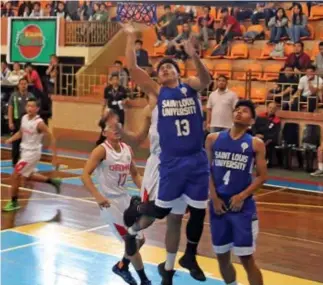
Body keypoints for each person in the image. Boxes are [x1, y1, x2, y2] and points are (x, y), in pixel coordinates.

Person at [122, 23, 211, 285]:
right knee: (162, 211)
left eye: (170, 66)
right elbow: (133, 69)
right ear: (158, 77)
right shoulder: (158, 93)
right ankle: (135, 215)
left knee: (192, 213)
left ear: (178, 71)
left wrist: (194, 55)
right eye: (161, 69)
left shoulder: (191, 86)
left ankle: (176, 266)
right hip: (169, 163)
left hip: (194, 160)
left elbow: (206, 79)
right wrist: (130, 38)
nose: (166, 69)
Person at [81, 111, 151, 285]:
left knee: (140, 239)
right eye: (111, 127)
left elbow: (135, 174)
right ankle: (144, 281)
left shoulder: (127, 149)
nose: (116, 129)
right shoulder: (101, 150)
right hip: (109, 203)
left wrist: (147, 193)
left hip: (125, 199)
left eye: (118, 125)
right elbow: (85, 175)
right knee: (132, 241)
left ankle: (121, 266)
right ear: (104, 133)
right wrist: (97, 196)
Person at [206, 100, 267, 285]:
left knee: (246, 259)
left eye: (245, 111)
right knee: (222, 256)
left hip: (242, 209)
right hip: (218, 206)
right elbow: (205, 170)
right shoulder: (213, 139)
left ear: (252, 121)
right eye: (237, 110)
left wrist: (242, 195)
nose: (239, 113)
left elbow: (262, 176)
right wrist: (214, 198)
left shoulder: (255, 143)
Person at [3, 97, 61, 212]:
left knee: (15, 175)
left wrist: (54, 157)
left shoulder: (39, 123)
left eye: (32, 106)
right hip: (24, 151)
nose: (30, 108)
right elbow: (21, 132)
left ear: (37, 109)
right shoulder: (24, 118)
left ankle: (14, 202)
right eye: (28, 106)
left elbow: (52, 137)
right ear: (25, 107)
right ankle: (52, 181)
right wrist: (11, 139)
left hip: (32, 153)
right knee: (27, 175)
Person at [7, 78, 34, 166]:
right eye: (21, 84)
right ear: (18, 85)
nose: (23, 85)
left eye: (25, 84)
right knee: (16, 142)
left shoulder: (30, 96)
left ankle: (26, 161)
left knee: (27, 142)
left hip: (27, 122)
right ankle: (15, 162)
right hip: (17, 121)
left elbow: (34, 109)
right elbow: (10, 109)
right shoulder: (14, 96)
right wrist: (10, 122)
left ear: (27, 85)